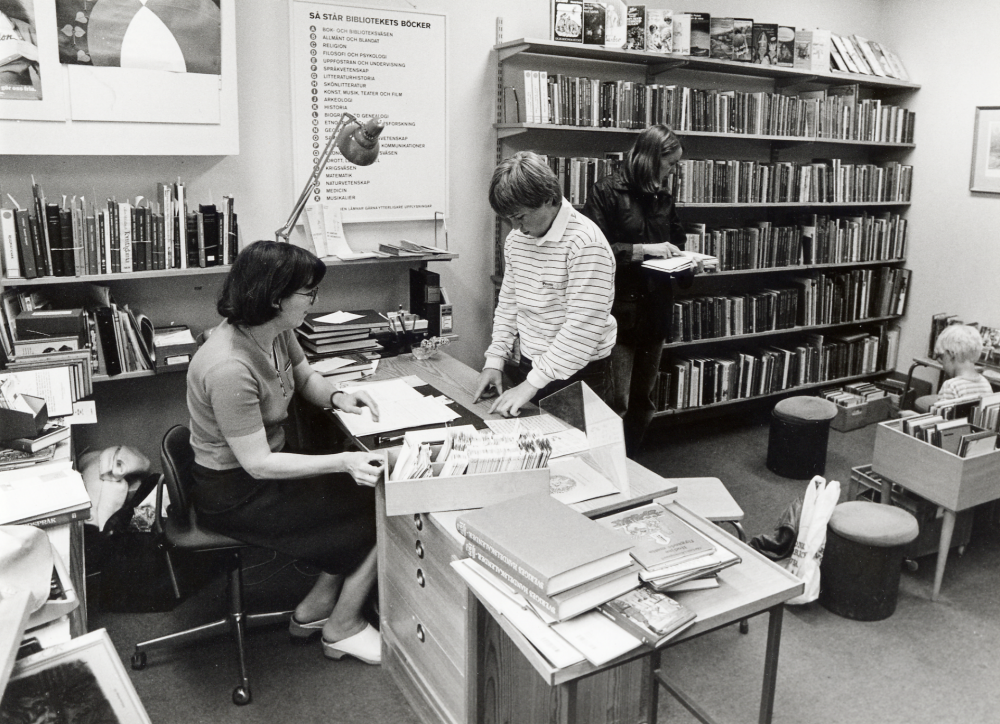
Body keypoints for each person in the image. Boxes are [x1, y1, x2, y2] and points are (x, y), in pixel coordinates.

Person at [186, 240, 384, 665]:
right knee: (380, 506)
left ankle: (315, 608)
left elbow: (305, 376)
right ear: (275, 298)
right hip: (235, 490)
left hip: (268, 467)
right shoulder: (228, 367)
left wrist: (339, 397)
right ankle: (343, 626)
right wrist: (344, 462)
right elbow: (257, 464)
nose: (315, 301)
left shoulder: (274, 331)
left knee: (367, 495)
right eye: (309, 292)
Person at [473, 151, 617, 417]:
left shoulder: (586, 244)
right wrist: (495, 359)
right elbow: (510, 303)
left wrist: (532, 384)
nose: (515, 227)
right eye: (509, 219)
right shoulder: (517, 240)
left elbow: (582, 328)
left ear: (550, 199)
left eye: (521, 217)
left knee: (577, 444)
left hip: (579, 372)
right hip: (533, 366)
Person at [581, 125, 687, 457]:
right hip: (621, 312)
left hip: (656, 308)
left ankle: (631, 463)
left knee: (643, 398)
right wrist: (644, 250)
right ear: (652, 158)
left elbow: (677, 242)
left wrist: (690, 262)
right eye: (670, 163)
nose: (673, 171)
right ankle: (608, 465)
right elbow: (595, 251)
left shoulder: (664, 195)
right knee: (616, 400)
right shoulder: (605, 191)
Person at [932, 324, 994, 401]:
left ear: (951, 354)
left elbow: (942, 409)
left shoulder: (950, 386)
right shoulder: (985, 383)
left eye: (942, 357)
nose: (942, 364)